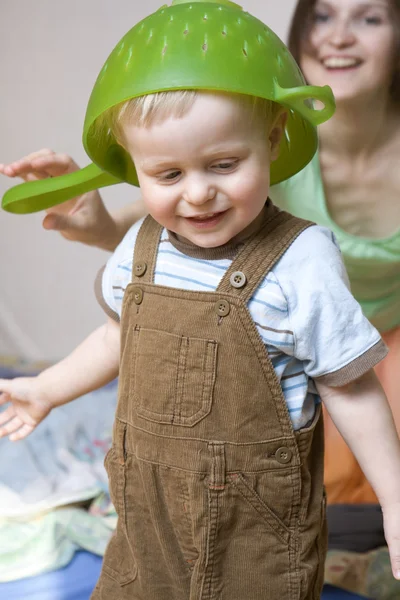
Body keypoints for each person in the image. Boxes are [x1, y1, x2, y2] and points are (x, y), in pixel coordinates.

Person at [1, 1, 400, 598]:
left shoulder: (303, 260)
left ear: (271, 139)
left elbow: (349, 387)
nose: (199, 194)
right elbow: (118, 336)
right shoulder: (141, 245)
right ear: (134, 170)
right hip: (144, 522)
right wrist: (47, 389)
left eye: (223, 164)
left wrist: (395, 499)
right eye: (168, 175)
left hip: (257, 535)